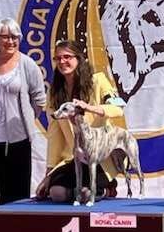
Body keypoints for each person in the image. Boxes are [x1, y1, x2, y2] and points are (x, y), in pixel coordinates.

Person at [35, 39, 124, 203]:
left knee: (85, 194)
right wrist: (49, 174)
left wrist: (91, 108)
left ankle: (106, 189)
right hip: (75, 157)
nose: (62, 62)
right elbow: (55, 136)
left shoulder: (98, 81)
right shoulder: (54, 93)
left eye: (67, 57)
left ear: (78, 58)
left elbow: (118, 108)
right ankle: (85, 190)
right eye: (58, 58)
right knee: (56, 193)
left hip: (99, 157)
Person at [0, 17, 46, 204]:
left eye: (15, 37)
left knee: (19, 190)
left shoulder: (27, 64)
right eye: (5, 37)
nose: (11, 41)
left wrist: (27, 120)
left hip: (19, 136)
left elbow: (39, 99)